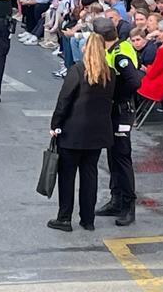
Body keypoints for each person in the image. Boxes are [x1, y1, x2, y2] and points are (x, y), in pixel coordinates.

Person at [47, 31, 115, 232]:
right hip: (98, 132)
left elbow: (64, 100)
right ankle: (88, 219)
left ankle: (64, 217)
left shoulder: (77, 70)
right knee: (89, 174)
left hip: (73, 131)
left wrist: (55, 124)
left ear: (85, 48)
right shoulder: (109, 74)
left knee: (67, 176)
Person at [94, 17, 142, 227]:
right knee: (113, 156)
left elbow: (134, 80)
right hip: (112, 111)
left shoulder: (121, 53)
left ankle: (128, 205)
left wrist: (117, 96)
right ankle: (116, 199)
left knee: (122, 157)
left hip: (122, 110)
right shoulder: (114, 49)